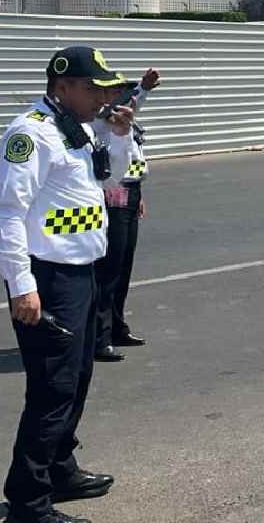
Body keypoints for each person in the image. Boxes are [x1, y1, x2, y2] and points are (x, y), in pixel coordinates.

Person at [0, 46, 136, 523]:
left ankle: (58, 469)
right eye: (93, 88)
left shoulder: (76, 131)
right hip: (48, 278)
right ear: (63, 86)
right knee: (52, 391)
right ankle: (29, 504)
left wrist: (118, 135)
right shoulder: (30, 133)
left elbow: (109, 179)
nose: (101, 96)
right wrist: (21, 287)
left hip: (82, 273)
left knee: (77, 381)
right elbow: (7, 214)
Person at [94, 68, 161, 363]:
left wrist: (139, 194)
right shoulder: (100, 119)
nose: (123, 94)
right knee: (108, 272)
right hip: (113, 196)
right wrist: (141, 88)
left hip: (130, 195)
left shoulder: (123, 116)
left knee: (123, 270)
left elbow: (133, 157)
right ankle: (100, 337)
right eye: (116, 89)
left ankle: (117, 327)